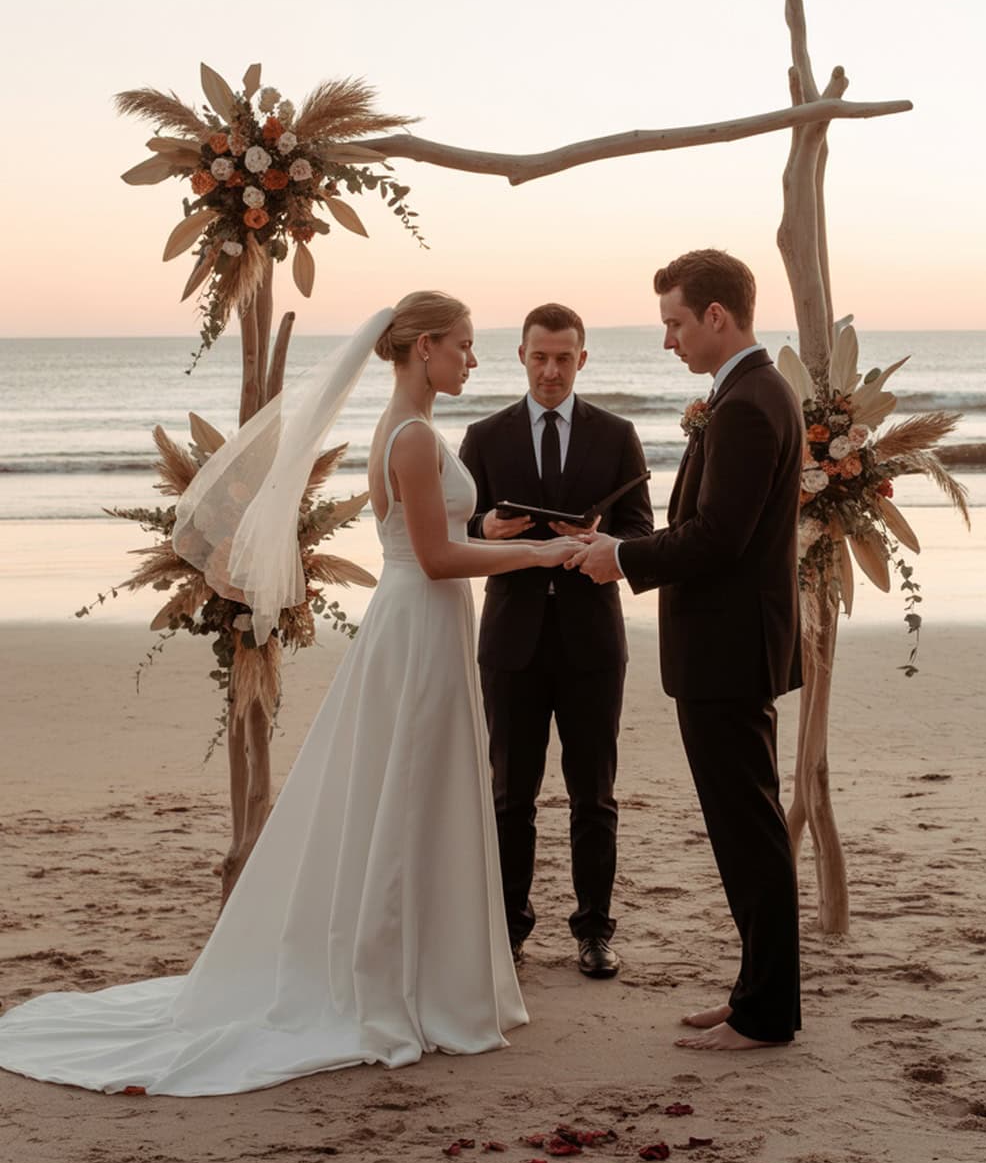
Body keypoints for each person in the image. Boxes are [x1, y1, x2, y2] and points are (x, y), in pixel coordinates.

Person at [0, 292, 577, 1096]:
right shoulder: (411, 436)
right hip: (419, 625)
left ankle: (431, 975)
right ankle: (403, 983)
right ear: (422, 350)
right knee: (410, 790)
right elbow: (434, 560)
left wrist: (496, 539)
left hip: (423, 625)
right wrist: (545, 557)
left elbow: (433, 540)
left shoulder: (410, 431)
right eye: (465, 346)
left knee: (417, 787)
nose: (473, 361)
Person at [568, 252, 802, 1049]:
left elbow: (720, 537)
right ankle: (752, 996)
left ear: (716, 317)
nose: (668, 340)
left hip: (727, 653)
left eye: (674, 322)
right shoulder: (752, 391)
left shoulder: (744, 405)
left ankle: (766, 1013)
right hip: (733, 648)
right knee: (747, 825)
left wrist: (623, 558)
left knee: (749, 831)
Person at [460, 303, 654, 978]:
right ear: (520, 355)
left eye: (563, 358)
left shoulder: (617, 434)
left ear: (582, 359)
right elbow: (452, 535)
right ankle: (508, 930)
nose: (550, 370)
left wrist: (606, 543)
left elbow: (641, 534)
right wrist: (485, 527)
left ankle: (594, 931)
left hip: (592, 639)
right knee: (510, 793)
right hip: (511, 638)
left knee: (593, 793)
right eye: (540, 357)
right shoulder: (484, 437)